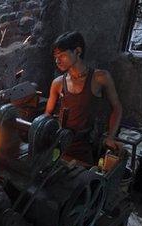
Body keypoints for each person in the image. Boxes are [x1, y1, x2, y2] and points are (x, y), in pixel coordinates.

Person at [44, 31, 123, 166]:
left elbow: (117, 108)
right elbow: (47, 114)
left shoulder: (100, 78)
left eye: (62, 55)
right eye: (55, 57)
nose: (57, 61)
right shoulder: (57, 83)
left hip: (85, 144)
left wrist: (110, 137)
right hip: (61, 142)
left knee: (83, 179)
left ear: (78, 51)